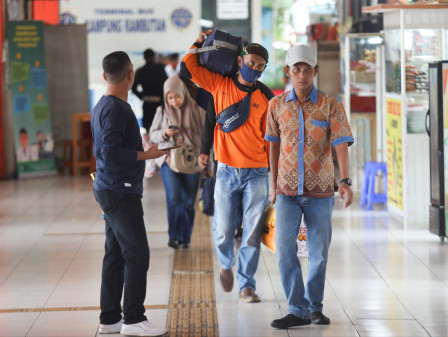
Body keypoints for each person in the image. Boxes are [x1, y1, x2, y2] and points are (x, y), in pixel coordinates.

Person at [265, 45, 354, 329]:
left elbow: (341, 145)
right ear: (287, 72)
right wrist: (273, 184)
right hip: (287, 192)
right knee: (284, 249)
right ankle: (297, 308)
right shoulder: (276, 105)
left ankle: (315, 307)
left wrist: (345, 182)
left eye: (307, 69)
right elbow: (273, 147)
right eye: (296, 69)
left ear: (315, 71)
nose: (302, 74)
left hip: (321, 192)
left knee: (319, 253)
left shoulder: (330, 104)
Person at [182, 29, 274, 303]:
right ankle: (225, 263)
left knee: (252, 232)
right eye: (251, 62)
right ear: (239, 61)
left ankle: (247, 285)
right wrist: (199, 40)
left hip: (258, 172)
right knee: (223, 229)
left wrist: (275, 176)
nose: (254, 68)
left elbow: (271, 137)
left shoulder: (266, 96)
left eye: (260, 66)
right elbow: (189, 64)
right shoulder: (219, 85)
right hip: (226, 171)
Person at [91, 51, 168, 337]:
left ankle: (109, 319)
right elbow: (109, 152)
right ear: (130, 75)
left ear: (104, 76)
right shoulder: (117, 108)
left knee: (116, 254)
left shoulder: (103, 105)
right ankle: (134, 319)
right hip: (119, 191)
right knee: (137, 254)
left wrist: (141, 150)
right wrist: (144, 154)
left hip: (110, 188)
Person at [149, 76, 206, 249]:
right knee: (174, 200)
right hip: (169, 161)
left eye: (176, 96)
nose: (173, 101)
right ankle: (174, 236)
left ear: (183, 93)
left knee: (188, 202)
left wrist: (208, 164)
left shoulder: (198, 112)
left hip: (192, 161)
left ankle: (185, 237)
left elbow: (207, 139)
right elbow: (152, 134)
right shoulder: (162, 111)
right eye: (170, 98)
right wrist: (165, 133)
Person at [131, 48, 167, 131]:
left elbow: (133, 88)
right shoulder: (160, 68)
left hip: (147, 104)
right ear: (153, 57)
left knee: (148, 129)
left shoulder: (140, 71)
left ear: (144, 58)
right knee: (160, 129)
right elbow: (166, 84)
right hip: (160, 104)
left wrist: (142, 96)